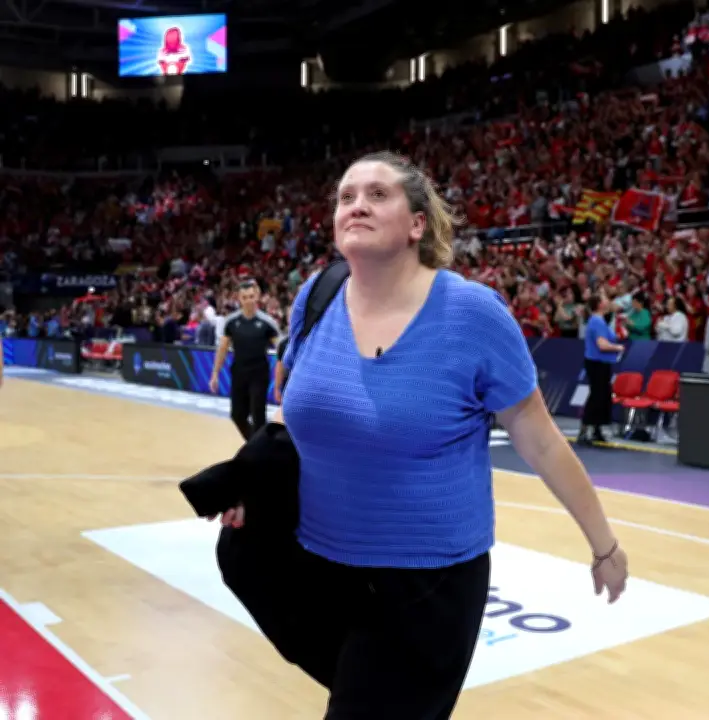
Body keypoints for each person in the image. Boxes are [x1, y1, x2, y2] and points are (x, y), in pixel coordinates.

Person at [209, 152, 628, 719]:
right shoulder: (319, 292)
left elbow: (541, 438)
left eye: (378, 194)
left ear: (417, 224)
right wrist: (253, 479)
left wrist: (604, 546)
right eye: (346, 196)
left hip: (426, 586)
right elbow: (295, 415)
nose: (357, 204)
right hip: (319, 566)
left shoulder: (473, 314)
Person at [210, 279, 280, 440]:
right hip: (239, 374)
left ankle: (258, 454)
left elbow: (281, 351)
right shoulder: (231, 322)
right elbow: (223, 348)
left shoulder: (268, 322)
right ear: (239, 299)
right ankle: (254, 445)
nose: (249, 300)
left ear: (257, 297)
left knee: (258, 416)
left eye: (251, 296)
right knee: (237, 416)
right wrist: (215, 374)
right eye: (245, 297)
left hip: (259, 374)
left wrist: (280, 378)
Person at [579, 293, 625, 445]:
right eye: (605, 299)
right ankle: (585, 430)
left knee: (602, 396)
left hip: (602, 363)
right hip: (597, 363)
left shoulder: (600, 321)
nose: (608, 301)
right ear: (599, 304)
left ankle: (597, 429)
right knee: (597, 395)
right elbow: (602, 345)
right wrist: (618, 347)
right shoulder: (597, 322)